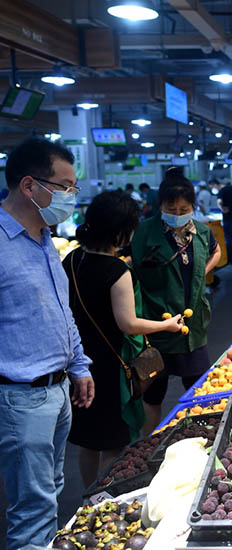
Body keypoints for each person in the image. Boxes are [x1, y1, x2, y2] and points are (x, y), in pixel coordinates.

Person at [0, 137, 94, 550]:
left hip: (57, 392)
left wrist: (78, 364)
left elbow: (61, 309)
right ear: (29, 186)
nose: (71, 196)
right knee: (33, 509)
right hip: (21, 397)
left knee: (52, 492)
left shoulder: (45, 240)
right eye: (64, 186)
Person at [64, 191, 184, 488]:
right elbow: (128, 324)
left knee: (88, 439)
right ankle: (105, 494)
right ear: (120, 231)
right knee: (114, 442)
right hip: (109, 366)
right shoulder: (117, 271)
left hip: (77, 362)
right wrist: (165, 325)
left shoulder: (72, 259)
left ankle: (87, 495)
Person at [131, 167, 221, 435]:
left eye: (184, 209)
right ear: (161, 205)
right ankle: (148, 445)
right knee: (152, 394)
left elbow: (215, 252)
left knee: (198, 389)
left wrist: (200, 273)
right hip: (156, 327)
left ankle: (201, 438)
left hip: (192, 327)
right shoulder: (145, 233)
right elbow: (133, 274)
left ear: (193, 206)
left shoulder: (202, 233)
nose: (178, 214)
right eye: (172, 208)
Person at [218, 181, 232, 264]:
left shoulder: (222, 191)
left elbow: (219, 202)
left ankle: (229, 258)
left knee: (228, 238)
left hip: (227, 218)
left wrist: (222, 208)